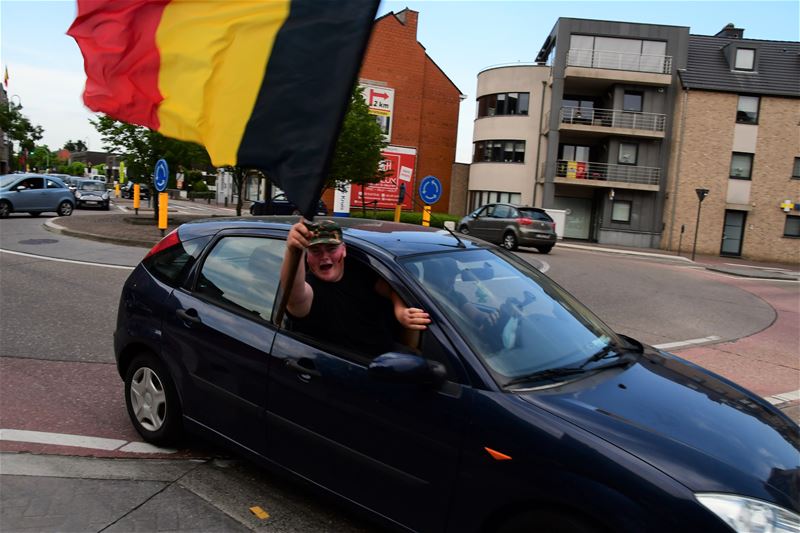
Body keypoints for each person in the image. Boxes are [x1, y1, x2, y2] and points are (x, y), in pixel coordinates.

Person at [280, 219, 430, 356]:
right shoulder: (310, 289)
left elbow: (393, 288)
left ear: (343, 250)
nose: (324, 256)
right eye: (315, 251)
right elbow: (293, 295)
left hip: (389, 361)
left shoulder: (360, 271)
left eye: (331, 248)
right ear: (307, 256)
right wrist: (293, 250)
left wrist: (400, 311)